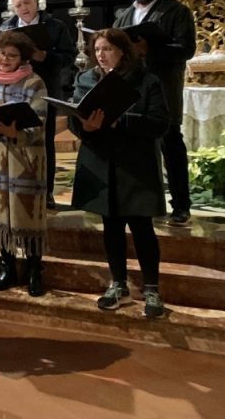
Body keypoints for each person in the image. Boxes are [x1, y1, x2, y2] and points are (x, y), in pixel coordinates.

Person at [69, 29, 170, 318]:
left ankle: (151, 288)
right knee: (110, 226)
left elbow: (159, 123)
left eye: (108, 49)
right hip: (100, 161)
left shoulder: (146, 80)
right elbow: (77, 117)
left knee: (141, 228)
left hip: (135, 164)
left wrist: (119, 123)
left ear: (122, 51)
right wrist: (84, 127)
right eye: (97, 49)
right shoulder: (85, 79)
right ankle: (119, 285)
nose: (101, 55)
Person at [112, 0, 196, 225]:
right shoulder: (123, 16)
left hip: (163, 87)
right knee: (135, 147)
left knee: (170, 143)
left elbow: (186, 49)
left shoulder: (176, 12)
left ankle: (181, 205)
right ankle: (142, 203)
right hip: (131, 89)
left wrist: (149, 49)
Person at [0, 31, 48, 297]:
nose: (5, 59)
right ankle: (6, 264)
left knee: (25, 212)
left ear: (23, 58)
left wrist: (16, 131)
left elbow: (39, 123)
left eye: (12, 55)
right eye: (1, 53)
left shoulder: (34, 83)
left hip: (24, 157)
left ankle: (33, 268)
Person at [1, 0, 76, 208]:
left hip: (45, 90)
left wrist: (44, 56)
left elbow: (69, 58)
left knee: (44, 141)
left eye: (27, 2)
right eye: (18, 5)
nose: (23, 8)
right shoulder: (7, 28)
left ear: (36, 2)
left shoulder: (55, 26)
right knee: (14, 137)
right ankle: (15, 185)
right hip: (13, 92)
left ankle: (47, 191)